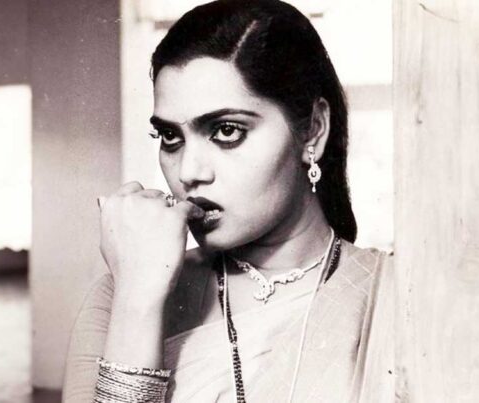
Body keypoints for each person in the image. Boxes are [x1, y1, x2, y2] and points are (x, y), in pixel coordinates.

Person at [62, 0, 394, 402]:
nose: (189, 171)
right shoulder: (122, 297)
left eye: (226, 131)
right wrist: (138, 302)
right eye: (170, 137)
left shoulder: (393, 294)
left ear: (313, 130)